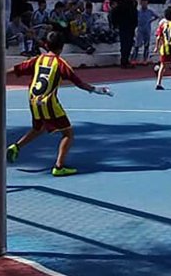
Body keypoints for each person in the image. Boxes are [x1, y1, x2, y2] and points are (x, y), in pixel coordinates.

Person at [6, 31, 113, 176]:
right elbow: (79, 83)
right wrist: (96, 90)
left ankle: (16, 147)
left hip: (33, 100)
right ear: (62, 48)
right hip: (48, 102)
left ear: (45, 45)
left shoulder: (38, 59)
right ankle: (59, 166)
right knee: (68, 133)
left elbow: (17, 69)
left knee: (38, 128)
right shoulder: (61, 64)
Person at [110, 0, 139, 68]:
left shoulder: (135, 3)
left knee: (129, 44)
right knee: (124, 45)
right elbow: (114, 12)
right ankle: (123, 62)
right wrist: (116, 24)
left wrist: (135, 24)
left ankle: (126, 60)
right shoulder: (123, 3)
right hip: (124, 27)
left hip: (131, 27)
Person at [133, 0, 159, 64]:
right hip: (140, 30)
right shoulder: (138, 12)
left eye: (146, 3)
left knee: (146, 45)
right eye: (143, 3)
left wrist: (150, 21)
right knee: (137, 45)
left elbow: (157, 16)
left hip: (147, 30)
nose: (144, 4)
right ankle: (134, 59)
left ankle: (145, 59)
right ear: (141, 3)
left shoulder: (150, 12)